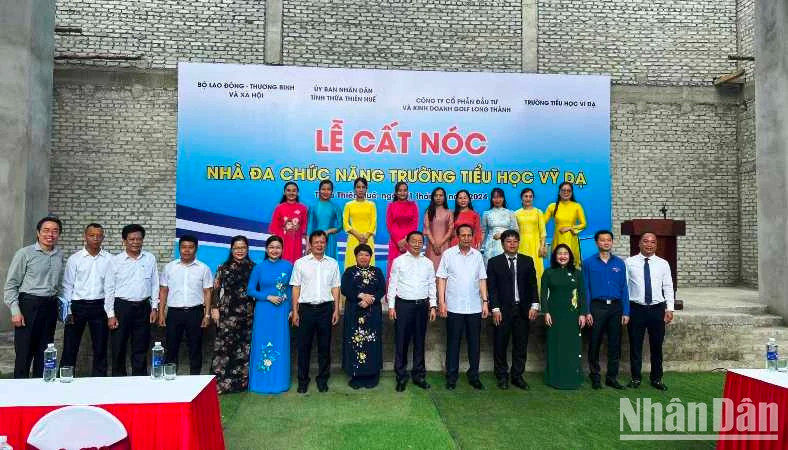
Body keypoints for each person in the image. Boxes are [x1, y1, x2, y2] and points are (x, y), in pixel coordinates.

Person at [4, 216, 65, 378]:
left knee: (45, 353)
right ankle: (19, 393)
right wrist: (15, 311)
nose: (50, 234)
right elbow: (11, 286)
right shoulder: (25, 254)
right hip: (28, 306)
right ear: (38, 233)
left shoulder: (59, 255)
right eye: (46, 230)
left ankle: (41, 393)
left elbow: (58, 285)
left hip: (49, 307)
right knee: (24, 353)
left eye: (55, 231)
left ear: (59, 234)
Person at [437, 224, 489, 390]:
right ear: (457, 237)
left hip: (474, 307)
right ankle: (451, 376)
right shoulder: (448, 254)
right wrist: (442, 302)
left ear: (473, 237)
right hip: (454, 307)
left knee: (474, 344)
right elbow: (442, 279)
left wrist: (485, 302)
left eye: (469, 235)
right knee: (453, 343)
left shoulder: (477, 256)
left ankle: (473, 375)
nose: (466, 238)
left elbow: (482, 279)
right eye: (463, 235)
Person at [486, 230, 539, 390]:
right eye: (508, 241)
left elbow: (532, 285)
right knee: (500, 344)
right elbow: (492, 288)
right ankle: (502, 376)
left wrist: (534, 305)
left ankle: (517, 376)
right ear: (502, 244)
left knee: (520, 345)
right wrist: (494, 308)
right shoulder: (494, 262)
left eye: (515, 241)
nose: (512, 244)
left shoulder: (527, 261)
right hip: (502, 310)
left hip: (522, 309)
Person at [105, 224, 159, 376]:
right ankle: (118, 381)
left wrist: (154, 307)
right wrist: (110, 314)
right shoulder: (115, 261)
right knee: (118, 347)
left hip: (143, 307)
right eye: (132, 239)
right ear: (124, 241)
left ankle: (139, 381)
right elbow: (109, 289)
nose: (135, 242)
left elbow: (155, 283)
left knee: (141, 347)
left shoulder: (150, 258)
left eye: (139, 239)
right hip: (121, 307)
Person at [290, 230, 341, 393]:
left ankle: (322, 380)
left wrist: (336, 309)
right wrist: (295, 311)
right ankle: (303, 381)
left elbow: (336, 287)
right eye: (316, 242)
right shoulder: (300, 263)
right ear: (310, 244)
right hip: (305, 310)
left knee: (324, 347)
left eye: (322, 242)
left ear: (326, 244)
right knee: (303, 347)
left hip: (326, 309)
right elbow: (296, 287)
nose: (319, 245)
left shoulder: (332, 263)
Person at [387, 231, 437, 392]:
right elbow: (392, 284)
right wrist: (391, 306)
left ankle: (419, 375)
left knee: (420, 341)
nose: (417, 244)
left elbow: (432, 284)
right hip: (403, 306)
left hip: (422, 306)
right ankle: (401, 376)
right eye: (413, 241)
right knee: (401, 341)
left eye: (419, 241)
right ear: (407, 242)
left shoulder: (428, 263)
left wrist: (433, 306)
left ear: (423, 244)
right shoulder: (398, 261)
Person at [60, 223, 112, 377]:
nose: (95, 239)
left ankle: (99, 380)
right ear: (85, 236)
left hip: (99, 306)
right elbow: (67, 286)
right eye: (92, 235)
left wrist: (110, 313)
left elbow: (110, 288)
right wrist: (67, 311)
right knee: (70, 346)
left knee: (101, 347)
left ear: (103, 237)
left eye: (99, 236)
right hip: (77, 307)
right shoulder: (75, 259)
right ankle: (65, 377)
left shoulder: (109, 259)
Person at [626, 232, 674, 391]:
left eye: (652, 242)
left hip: (657, 309)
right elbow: (624, 288)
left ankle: (657, 378)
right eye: (645, 241)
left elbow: (668, 286)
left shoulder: (663, 264)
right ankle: (635, 378)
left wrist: (670, 308)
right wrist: (625, 310)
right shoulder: (629, 262)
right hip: (636, 309)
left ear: (656, 245)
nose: (649, 244)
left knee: (656, 346)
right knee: (635, 345)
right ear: (639, 244)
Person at [158, 235, 213, 375]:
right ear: (179, 248)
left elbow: (207, 292)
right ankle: (170, 377)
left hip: (195, 312)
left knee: (195, 347)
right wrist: (161, 313)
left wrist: (207, 314)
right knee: (171, 347)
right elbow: (163, 290)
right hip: (174, 313)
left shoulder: (204, 268)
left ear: (196, 249)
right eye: (183, 247)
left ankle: (195, 380)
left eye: (190, 247)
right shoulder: (170, 267)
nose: (186, 250)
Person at [582, 230, 630, 390]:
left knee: (614, 343)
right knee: (594, 342)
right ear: (597, 243)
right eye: (602, 240)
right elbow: (586, 289)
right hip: (597, 307)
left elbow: (624, 288)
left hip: (616, 307)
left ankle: (612, 377)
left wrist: (626, 311)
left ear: (612, 242)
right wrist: (587, 311)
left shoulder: (619, 263)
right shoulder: (588, 263)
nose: (606, 243)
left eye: (609, 240)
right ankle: (595, 376)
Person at [247, 235, 294, 394]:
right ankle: (261, 382)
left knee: (280, 343)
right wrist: (267, 296)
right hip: (263, 311)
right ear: (266, 249)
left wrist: (291, 309)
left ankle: (279, 382)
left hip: (281, 311)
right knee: (262, 342)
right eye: (272, 247)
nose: (275, 250)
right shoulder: (259, 267)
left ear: (282, 250)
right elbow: (251, 290)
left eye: (278, 247)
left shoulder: (288, 266)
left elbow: (290, 289)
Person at [210, 235, 255, 394]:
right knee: (224, 346)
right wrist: (214, 308)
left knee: (244, 347)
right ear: (231, 249)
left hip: (248, 312)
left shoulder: (254, 267)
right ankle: (221, 384)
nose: (240, 251)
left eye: (243, 247)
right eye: (237, 248)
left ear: (247, 249)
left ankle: (241, 384)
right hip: (227, 311)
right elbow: (215, 289)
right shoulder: (223, 267)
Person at [541, 244, 587, 389]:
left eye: (565, 253)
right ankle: (554, 378)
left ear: (570, 256)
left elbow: (582, 294)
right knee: (555, 345)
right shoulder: (548, 272)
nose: (562, 256)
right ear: (555, 256)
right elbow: (543, 294)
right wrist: (546, 312)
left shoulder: (577, 273)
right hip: (554, 315)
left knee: (572, 347)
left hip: (572, 315)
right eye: (559, 254)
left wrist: (583, 314)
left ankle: (573, 377)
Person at [341, 244, 385, 389]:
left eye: (367, 255)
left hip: (372, 313)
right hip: (354, 312)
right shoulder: (349, 271)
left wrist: (370, 300)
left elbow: (382, 289)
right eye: (361, 254)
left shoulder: (377, 271)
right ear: (356, 256)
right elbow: (345, 289)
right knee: (356, 342)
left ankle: (372, 375)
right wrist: (361, 296)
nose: (364, 257)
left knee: (372, 342)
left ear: (370, 257)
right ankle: (356, 375)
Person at [544, 182, 586, 268]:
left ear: (572, 192)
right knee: (557, 264)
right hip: (558, 239)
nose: (566, 192)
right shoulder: (552, 206)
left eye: (568, 190)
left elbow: (584, 224)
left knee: (572, 264)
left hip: (572, 240)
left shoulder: (577, 206)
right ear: (559, 192)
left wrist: (570, 228)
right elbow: (542, 222)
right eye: (563, 190)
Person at [385, 182, 419, 281]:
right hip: (395, 242)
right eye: (400, 190)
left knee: (408, 268)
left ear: (407, 192)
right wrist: (398, 242)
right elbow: (389, 225)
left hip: (410, 242)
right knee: (394, 269)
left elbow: (415, 224)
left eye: (405, 190)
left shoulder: (413, 205)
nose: (402, 193)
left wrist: (406, 240)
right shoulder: (391, 206)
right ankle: (392, 295)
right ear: (396, 193)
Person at [514, 188, 547, 289]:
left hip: (536, 246)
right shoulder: (516, 213)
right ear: (521, 198)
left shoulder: (538, 212)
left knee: (537, 272)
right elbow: (515, 232)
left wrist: (542, 246)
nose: (528, 198)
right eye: (526, 196)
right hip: (521, 246)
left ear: (533, 198)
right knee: (522, 271)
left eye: (530, 196)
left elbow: (543, 232)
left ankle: (538, 300)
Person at [269, 181, 308, 264]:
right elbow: (274, 232)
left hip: (297, 247)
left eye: (294, 191)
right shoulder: (279, 208)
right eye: (288, 190)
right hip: (282, 247)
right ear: (284, 192)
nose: (291, 193)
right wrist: (275, 249)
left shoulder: (303, 208)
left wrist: (307, 248)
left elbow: (305, 232)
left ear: (298, 193)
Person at [343, 177, 377, 269]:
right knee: (352, 265)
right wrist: (357, 235)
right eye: (358, 187)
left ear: (366, 189)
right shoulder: (348, 205)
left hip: (368, 239)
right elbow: (345, 224)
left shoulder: (371, 205)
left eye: (363, 187)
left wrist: (366, 236)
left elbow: (373, 222)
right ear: (354, 189)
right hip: (353, 239)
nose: (361, 190)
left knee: (368, 266)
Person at [481, 188, 518, 265]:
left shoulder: (510, 213)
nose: (497, 200)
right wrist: (481, 247)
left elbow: (515, 231)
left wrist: (502, 235)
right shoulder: (487, 213)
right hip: (491, 245)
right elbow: (483, 231)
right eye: (495, 197)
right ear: (491, 199)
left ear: (503, 198)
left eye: (500, 197)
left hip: (507, 244)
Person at [307, 179, 343, 259]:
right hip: (315, 239)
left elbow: (340, 225)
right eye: (323, 189)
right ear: (319, 190)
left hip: (330, 239)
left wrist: (328, 231)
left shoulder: (335, 207)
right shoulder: (313, 206)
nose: (326, 192)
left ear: (332, 191)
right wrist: (308, 245)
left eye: (328, 189)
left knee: (330, 262)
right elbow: (309, 227)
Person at [423, 187, 454, 271]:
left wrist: (440, 243)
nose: (438, 197)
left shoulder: (449, 212)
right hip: (431, 246)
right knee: (431, 269)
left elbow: (450, 230)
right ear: (433, 197)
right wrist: (434, 244)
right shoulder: (429, 211)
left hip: (445, 245)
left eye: (441, 195)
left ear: (444, 197)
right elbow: (427, 229)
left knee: (444, 269)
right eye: (436, 195)